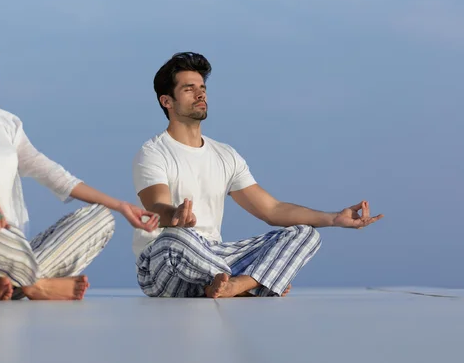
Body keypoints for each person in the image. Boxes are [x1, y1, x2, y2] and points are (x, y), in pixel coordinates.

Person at [0, 19, 160, 301]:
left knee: (101, 216)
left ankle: (3, 284)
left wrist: (121, 205)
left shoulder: (6, 123)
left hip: (6, 257)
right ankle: (34, 285)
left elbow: (52, 173)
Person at [131, 52, 383, 298]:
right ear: (167, 101)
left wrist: (334, 218)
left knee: (304, 234)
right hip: (164, 265)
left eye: (202, 87)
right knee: (175, 238)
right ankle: (257, 283)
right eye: (189, 89)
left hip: (214, 258)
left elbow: (271, 210)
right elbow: (155, 206)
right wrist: (174, 215)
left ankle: (237, 286)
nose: (200, 94)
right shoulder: (153, 152)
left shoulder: (225, 154)